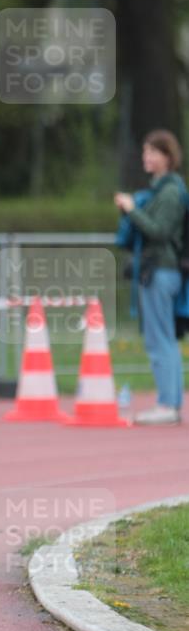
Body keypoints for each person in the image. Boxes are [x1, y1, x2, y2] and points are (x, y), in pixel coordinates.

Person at [114, 129, 187, 424]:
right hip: (159, 270)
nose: (146, 156)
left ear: (168, 157)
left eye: (153, 151)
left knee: (160, 340)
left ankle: (167, 404)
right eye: (145, 151)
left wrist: (132, 210)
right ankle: (171, 404)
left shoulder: (170, 192)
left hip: (161, 271)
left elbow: (159, 231)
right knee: (165, 339)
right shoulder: (163, 190)